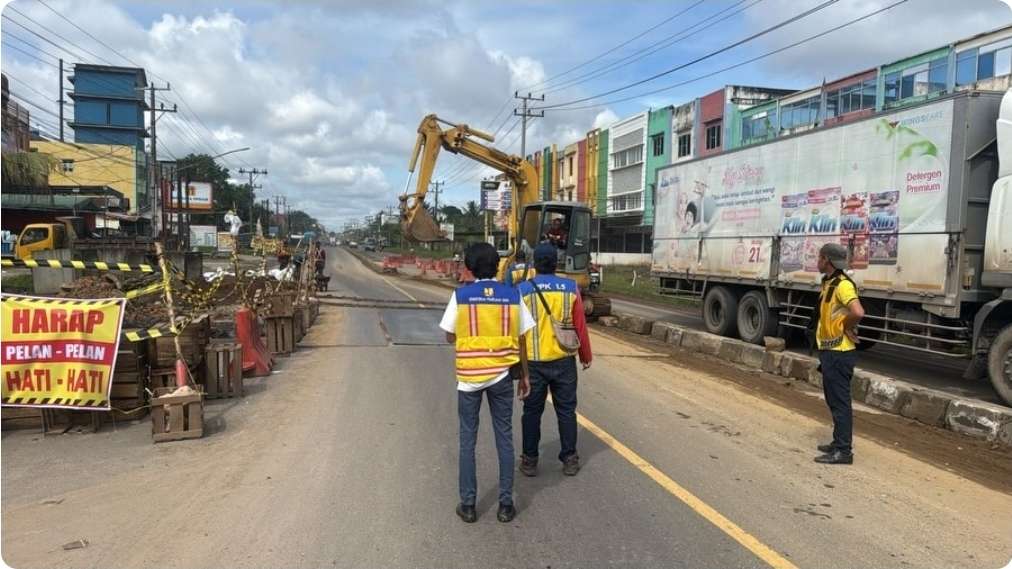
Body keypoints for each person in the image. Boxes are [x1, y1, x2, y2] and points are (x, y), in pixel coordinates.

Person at [439, 243, 535, 523]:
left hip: (469, 379)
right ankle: (506, 505)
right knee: (504, 438)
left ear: (469, 267)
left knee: (468, 440)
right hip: (502, 376)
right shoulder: (513, 295)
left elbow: (449, 335)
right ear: (497, 267)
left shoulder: (461, 296)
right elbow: (521, 337)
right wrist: (525, 375)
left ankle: (468, 505)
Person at [517, 243, 593, 477]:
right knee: (567, 411)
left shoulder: (523, 289)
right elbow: (580, 324)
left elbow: (517, 331)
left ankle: (529, 460)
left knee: (531, 412)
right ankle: (570, 458)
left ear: (535, 264)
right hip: (564, 361)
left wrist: (517, 367)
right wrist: (585, 355)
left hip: (534, 363)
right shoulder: (570, 288)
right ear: (556, 263)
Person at [813, 243, 865, 465]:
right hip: (830, 351)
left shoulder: (843, 285)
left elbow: (858, 312)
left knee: (840, 402)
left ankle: (844, 451)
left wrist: (845, 326)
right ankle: (838, 442)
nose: (817, 261)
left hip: (839, 353)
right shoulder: (829, 283)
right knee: (833, 400)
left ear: (827, 260)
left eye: (819, 257)